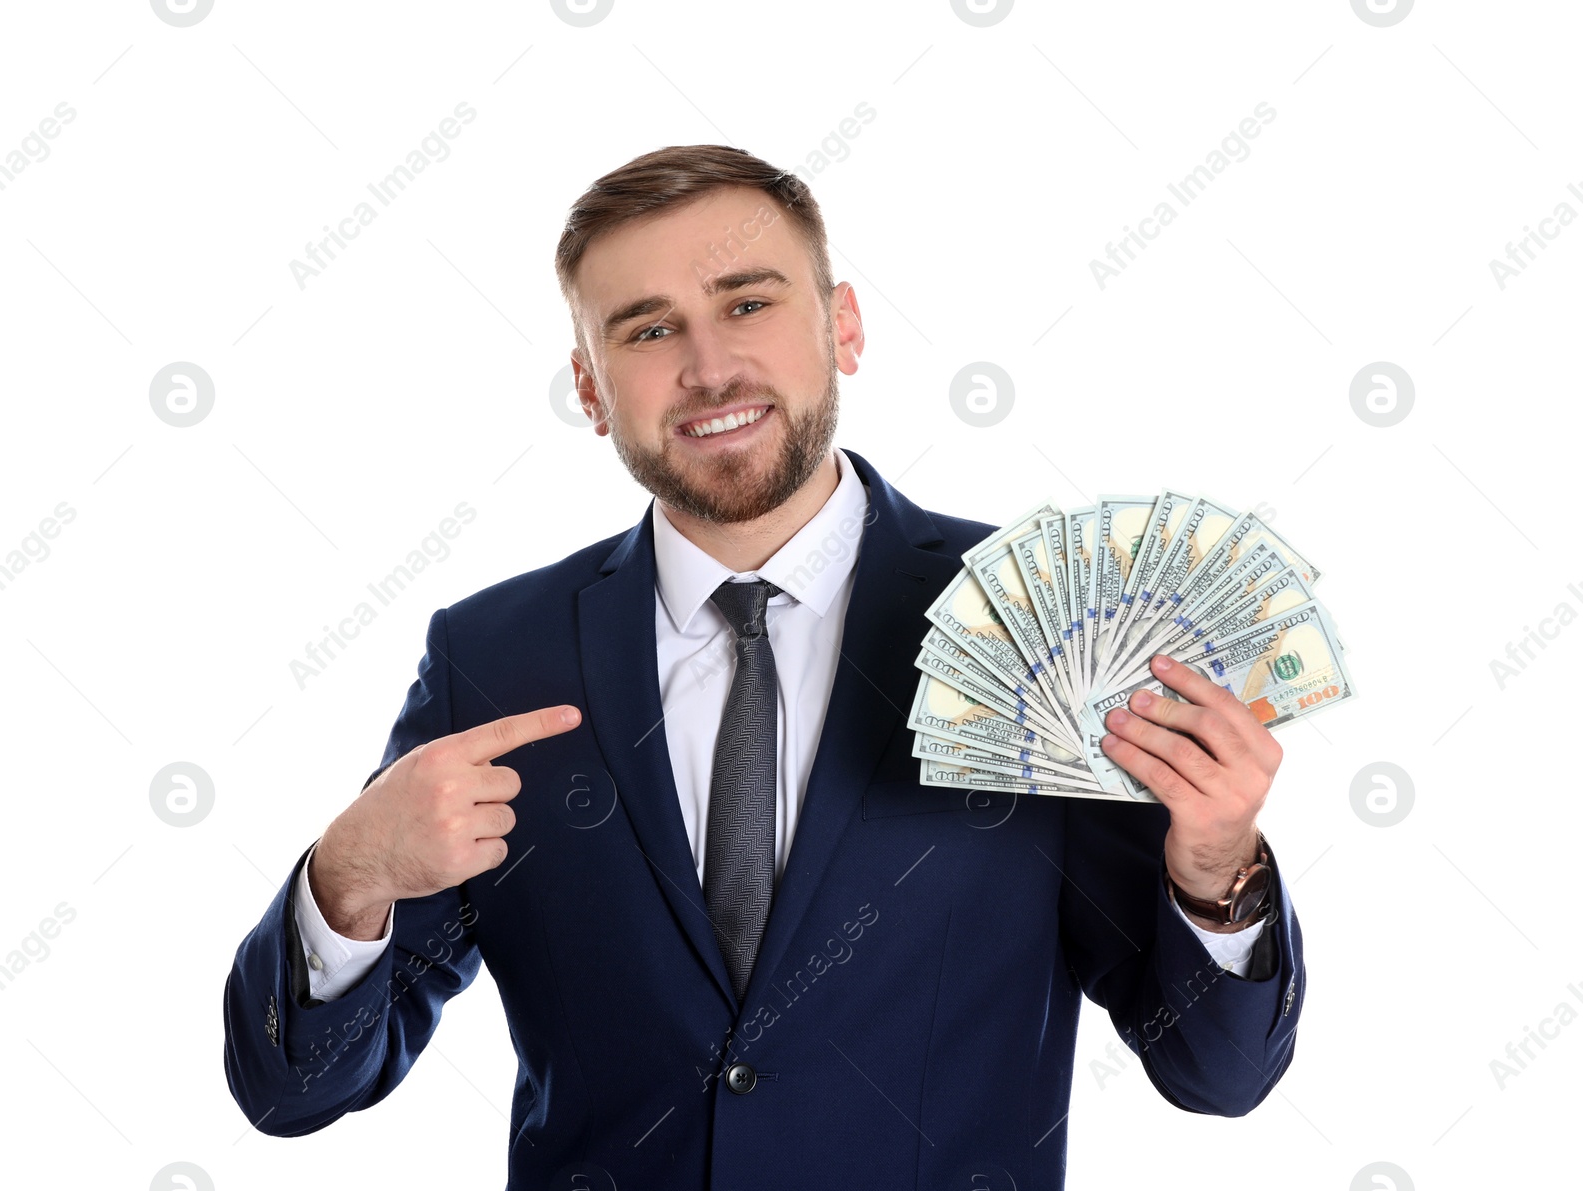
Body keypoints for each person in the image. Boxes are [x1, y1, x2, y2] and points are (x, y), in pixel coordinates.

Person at [223, 144, 1304, 1190]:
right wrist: (348, 876)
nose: (707, 367)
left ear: (841, 325)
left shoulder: (1041, 623)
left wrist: (1216, 873)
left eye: (748, 303)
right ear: (590, 389)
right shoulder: (496, 656)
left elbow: (1218, 1076)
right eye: (647, 330)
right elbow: (295, 1092)